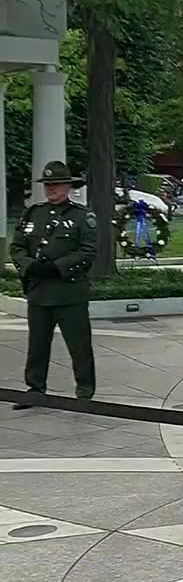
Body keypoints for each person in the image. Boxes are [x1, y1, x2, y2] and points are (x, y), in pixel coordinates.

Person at [8, 161, 97, 410]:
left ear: (68, 186)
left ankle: (85, 392)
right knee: (37, 346)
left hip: (69, 292)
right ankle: (35, 388)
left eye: (56, 184)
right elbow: (16, 247)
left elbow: (88, 251)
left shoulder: (82, 217)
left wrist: (57, 266)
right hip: (39, 291)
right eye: (47, 185)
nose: (51, 189)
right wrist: (28, 265)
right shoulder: (32, 213)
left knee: (79, 346)